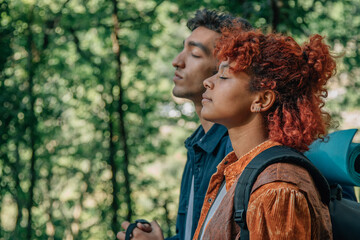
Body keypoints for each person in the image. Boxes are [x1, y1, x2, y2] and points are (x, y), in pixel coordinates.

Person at [116, 9, 252, 240]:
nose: (177, 61)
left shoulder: (237, 150)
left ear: (224, 70)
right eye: (183, 49)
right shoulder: (198, 145)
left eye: (195, 54)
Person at [192, 26, 336, 239]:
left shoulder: (277, 188)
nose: (208, 81)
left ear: (262, 100)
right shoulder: (234, 170)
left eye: (223, 76)